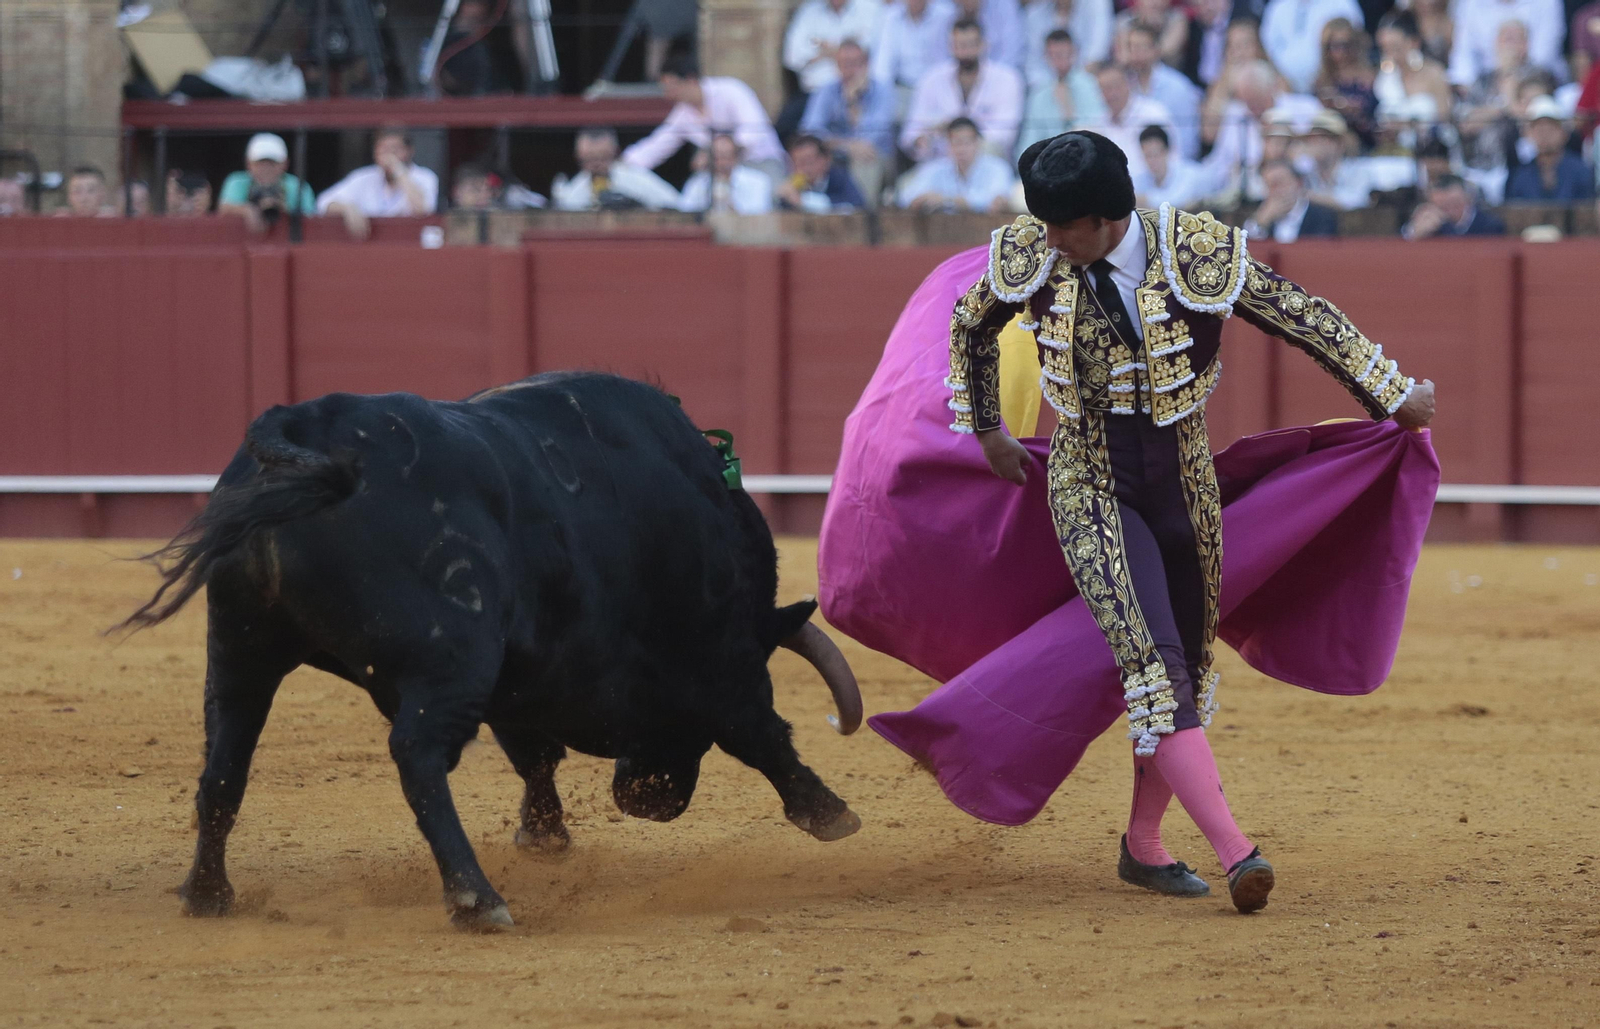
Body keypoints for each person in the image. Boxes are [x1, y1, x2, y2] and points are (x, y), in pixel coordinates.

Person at [944, 129, 1433, 912]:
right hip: (1088, 475)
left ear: (1106, 219)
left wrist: (1388, 387)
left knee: (1191, 672)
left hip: (1184, 478)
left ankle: (1144, 845)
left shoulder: (1194, 251)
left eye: (1062, 229)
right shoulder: (1034, 250)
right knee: (1150, 666)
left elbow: (1298, 315)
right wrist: (990, 431)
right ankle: (1239, 851)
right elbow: (970, 325)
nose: (1049, 242)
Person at [622, 54, 787, 180]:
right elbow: (654, 147)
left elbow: (756, 130)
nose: (668, 95)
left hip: (762, 164)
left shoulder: (731, 90)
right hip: (721, 177)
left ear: (691, 80)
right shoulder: (682, 114)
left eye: (671, 87)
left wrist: (714, 152)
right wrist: (620, 165)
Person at [902, 19, 1027, 161]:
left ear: (983, 45)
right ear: (950, 46)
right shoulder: (931, 79)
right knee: (906, 183)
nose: (965, 52)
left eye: (970, 45)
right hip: (940, 162)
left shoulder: (1007, 79)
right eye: (959, 45)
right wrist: (923, 138)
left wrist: (960, 134)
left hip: (987, 161)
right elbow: (910, 133)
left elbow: (1006, 134)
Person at [799, 38, 898, 203]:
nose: (848, 69)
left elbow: (871, 138)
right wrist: (846, 146)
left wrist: (852, 103)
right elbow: (809, 132)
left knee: (865, 160)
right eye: (843, 63)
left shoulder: (883, 91)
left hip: (878, 157)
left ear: (866, 64)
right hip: (836, 154)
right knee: (810, 159)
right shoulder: (826, 91)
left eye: (854, 63)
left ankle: (860, 217)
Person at [782, 0, 886, 136]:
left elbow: (875, 51)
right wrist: (842, 48)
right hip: (814, 91)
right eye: (842, 60)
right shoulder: (808, 12)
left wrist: (823, 48)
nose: (842, 58)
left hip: (862, 91)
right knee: (787, 130)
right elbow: (792, 58)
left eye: (848, 60)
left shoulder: (871, 8)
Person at [317, 128, 439, 239]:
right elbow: (323, 203)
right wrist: (347, 208)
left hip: (409, 246)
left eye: (395, 149)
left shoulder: (425, 177)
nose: (389, 155)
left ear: (409, 151)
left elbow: (422, 209)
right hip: (370, 247)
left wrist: (398, 169)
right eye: (384, 149)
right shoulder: (363, 177)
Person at [1016, 30, 1108, 154]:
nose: (1058, 61)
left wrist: (1068, 112)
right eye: (1053, 55)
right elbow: (1028, 142)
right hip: (1048, 161)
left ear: (1074, 52)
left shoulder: (1091, 84)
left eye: (1063, 54)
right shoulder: (1038, 94)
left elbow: (1098, 129)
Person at [898, 116, 1016, 210]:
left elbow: (997, 201)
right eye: (956, 143)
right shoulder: (937, 168)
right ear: (948, 144)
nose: (961, 149)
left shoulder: (998, 168)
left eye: (966, 142)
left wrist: (947, 201)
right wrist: (921, 199)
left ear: (978, 143)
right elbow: (905, 198)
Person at [1123, 22, 1203, 158]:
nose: (1137, 54)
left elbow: (1188, 141)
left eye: (1142, 48)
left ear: (1156, 50)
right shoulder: (1125, 86)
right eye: (1132, 48)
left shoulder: (1178, 86)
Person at [552, 127, 682, 211]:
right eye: (589, 159)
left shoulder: (637, 178)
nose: (596, 163)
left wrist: (638, 207)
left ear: (615, 153)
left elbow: (675, 204)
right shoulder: (574, 190)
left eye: (603, 157)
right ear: (578, 156)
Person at [1447, 0, 1566, 88]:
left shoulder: (1548, 3)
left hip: (1537, 80)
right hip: (1486, 81)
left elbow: (1543, 55)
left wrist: (1511, 78)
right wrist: (1465, 84)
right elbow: (1463, 52)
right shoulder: (1469, 3)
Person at [1090, 61, 1179, 178]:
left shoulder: (1153, 114)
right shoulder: (1099, 125)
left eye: (1115, 86)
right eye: (1104, 89)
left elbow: (1172, 161)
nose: (1111, 94)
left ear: (1129, 84)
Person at [1258, 0, 1364, 93]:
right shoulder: (1277, 6)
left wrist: (1327, 75)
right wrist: (1280, 77)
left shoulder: (1341, 3)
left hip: (1331, 85)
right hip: (1285, 88)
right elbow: (1267, 47)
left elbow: (1355, 41)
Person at [1504, 96, 1597, 202]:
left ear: (1564, 133)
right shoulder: (1519, 176)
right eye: (1539, 129)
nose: (1544, 134)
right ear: (1529, 134)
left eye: (1551, 128)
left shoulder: (1583, 171)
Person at [218, 134, 315, 233]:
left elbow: (311, 219)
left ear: (285, 164)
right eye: (260, 163)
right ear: (249, 164)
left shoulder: (297, 186)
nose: (266, 169)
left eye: (272, 163)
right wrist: (248, 210)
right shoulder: (237, 182)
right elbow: (223, 208)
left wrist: (285, 210)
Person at [1373, 10, 1454, 128]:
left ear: (1414, 43)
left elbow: (1446, 120)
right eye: (1385, 49)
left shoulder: (1434, 73)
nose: (1390, 56)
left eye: (1395, 47)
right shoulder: (1384, 77)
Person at [873, 0, 957, 105]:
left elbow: (952, 56)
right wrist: (882, 94)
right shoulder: (891, 15)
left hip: (939, 87)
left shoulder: (947, 14)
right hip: (902, 87)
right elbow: (883, 62)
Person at [1311, 18, 1377, 148]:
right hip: (1332, 144)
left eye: (1344, 45)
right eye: (1332, 46)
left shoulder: (1372, 77)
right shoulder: (1321, 82)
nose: (1339, 52)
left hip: (1368, 142)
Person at [1244, 158, 1340, 239]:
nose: (1274, 191)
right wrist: (1262, 221)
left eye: (1279, 183)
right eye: (1268, 185)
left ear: (1298, 183)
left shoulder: (1321, 216)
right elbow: (1246, 249)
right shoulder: (1260, 211)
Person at [679, 133, 776, 214]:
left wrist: (731, 206)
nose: (722, 163)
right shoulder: (697, 184)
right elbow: (686, 214)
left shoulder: (758, 182)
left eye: (726, 157)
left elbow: (760, 215)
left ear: (736, 157)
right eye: (717, 157)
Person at [1024, 0, 1115, 82]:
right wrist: (1054, 87)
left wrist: (1072, 84)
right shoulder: (1034, 13)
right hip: (1047, 86)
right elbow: (1033, 65)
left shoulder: (1097, 3)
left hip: (1088, 80)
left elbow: (1096, 55)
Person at [1301, 109, 1374, 209]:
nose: (1315, 144)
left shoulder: (1357, 170)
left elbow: (1356, 202)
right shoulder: (1307, 173)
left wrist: (1308, 196)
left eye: (1322, 138)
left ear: (1339, 144)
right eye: (1311, 139)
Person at [776, 134, 868, 211]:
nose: (802, 169)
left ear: (826, 159)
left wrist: (804, 201)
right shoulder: (792, 185)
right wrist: (783, 198)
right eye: (796, 163)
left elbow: (855, 205)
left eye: (807, 162)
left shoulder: (839, 177)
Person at [1402, 173, 1507, 236]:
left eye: (1454, 204)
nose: (1449, 210)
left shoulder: (1490, 225)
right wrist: (1414, 233)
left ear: (1468, 199)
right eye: (1442, 206)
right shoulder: (1429, 223)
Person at [1131, 124, 1210, 207]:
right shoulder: (1143, 178)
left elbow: (1176, 202)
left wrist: (1141, 200)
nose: (1152, 160)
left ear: (1167, 151)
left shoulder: (1189, 174)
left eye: (1156, 154)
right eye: (1148, 155)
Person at [949, 0, 1027, 70]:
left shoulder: (1004, 5)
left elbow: (1012, 50)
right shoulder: (945, 13)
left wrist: (993, 77)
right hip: (957, 77)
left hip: (1002, 74)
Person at [1113, 0, 1189, 68]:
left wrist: (1154, 27)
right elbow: (1123, 56)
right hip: (1132, 73)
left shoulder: (1177, 18)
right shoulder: (1125, 19)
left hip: (1169, 71)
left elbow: (1169, 50)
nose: (1154, 2)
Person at [1177, 0, 1232, 88]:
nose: (1207, 8)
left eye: (1209, 3)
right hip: (1196, 86)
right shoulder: (1192, 28)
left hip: (1226, 85)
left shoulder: (1233, 28)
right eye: (1200, 5)